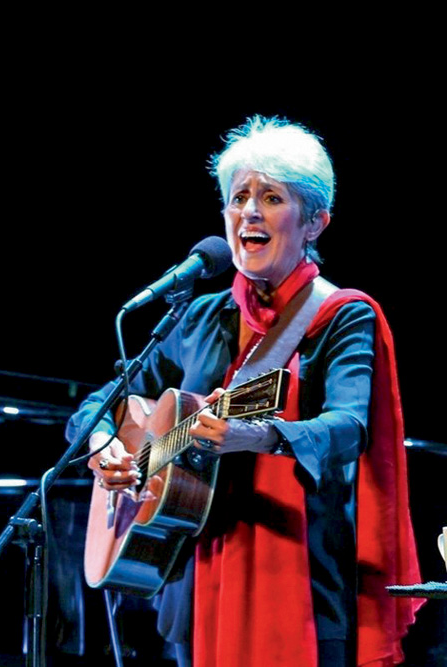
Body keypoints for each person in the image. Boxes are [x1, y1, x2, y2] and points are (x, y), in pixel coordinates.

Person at [67, 116, 422, 666]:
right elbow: (102, 400)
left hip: (300, 576)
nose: (249, 211)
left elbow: (349, 427)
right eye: (238, 198)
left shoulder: (339, 315)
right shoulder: (197, 317)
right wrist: (104, 445)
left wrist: (256, 436)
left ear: (315, 223)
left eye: (272, 197)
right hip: (191, 581)